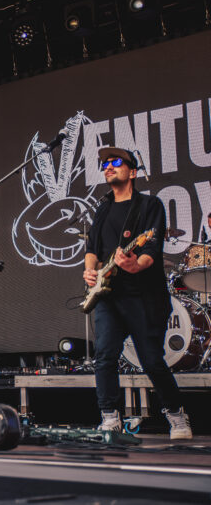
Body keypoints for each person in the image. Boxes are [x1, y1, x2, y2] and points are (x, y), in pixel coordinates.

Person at [83, 147, 192, 439]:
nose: (108, 167)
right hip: (107, 295)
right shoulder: (103, 208)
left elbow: (150, 250)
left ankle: (176, 415)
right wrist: (89, 271)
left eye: (115, 162)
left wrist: (133, 265)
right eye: (105, 164)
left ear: (132, 171)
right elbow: (92, 249)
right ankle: (110, 418)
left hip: (142, 295)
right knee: (104, 355)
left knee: (151, 361)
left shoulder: (149, 205)